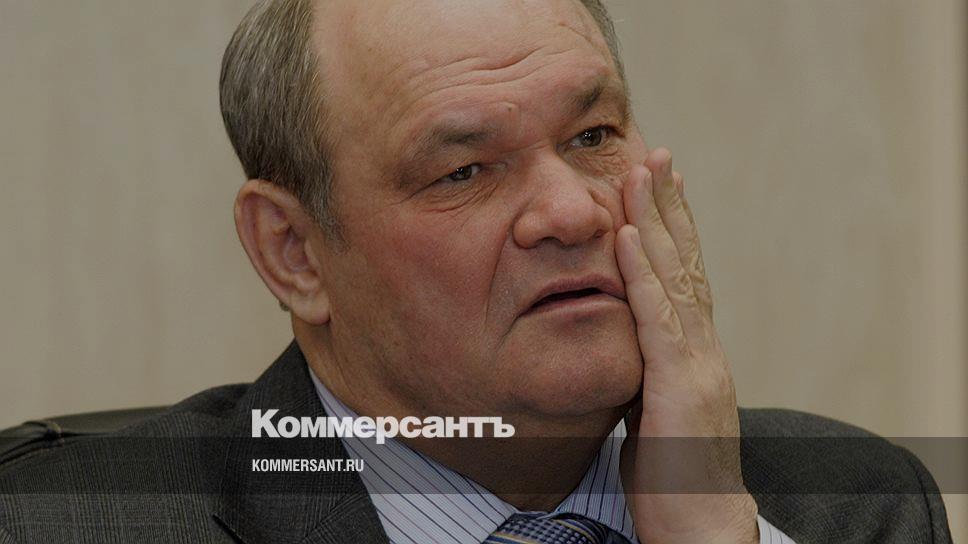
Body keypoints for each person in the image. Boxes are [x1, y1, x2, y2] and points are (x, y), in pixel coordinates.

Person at [0, 1, 952, 543]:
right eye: (463, 172)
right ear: (294, 252)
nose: (574, 212)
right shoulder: (64, 527)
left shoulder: (849, 506)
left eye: (593, 136)